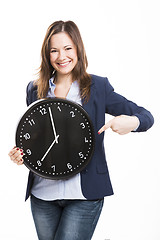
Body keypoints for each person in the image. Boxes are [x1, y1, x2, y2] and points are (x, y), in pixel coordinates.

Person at [8, 20, 154, 240]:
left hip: (83, 195)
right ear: (46, 55)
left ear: (78, 49)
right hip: (42, 195)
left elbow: (146, 116)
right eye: (54, 50)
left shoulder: (97, 87)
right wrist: (20, 154)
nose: (61, 56)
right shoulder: (34, 89)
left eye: (68, 48)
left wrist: (130, 123)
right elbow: (35, 138)